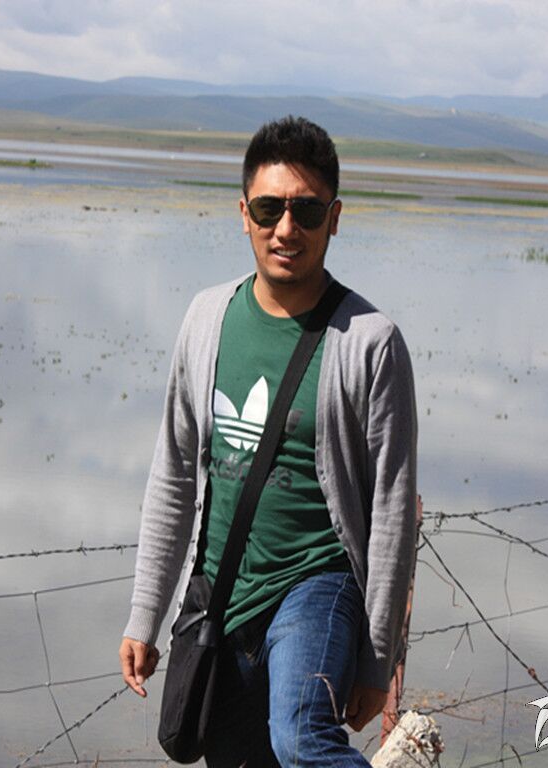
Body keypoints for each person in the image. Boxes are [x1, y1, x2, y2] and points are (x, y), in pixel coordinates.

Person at [119, 115, 418, 766]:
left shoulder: (370, 342)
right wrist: (146, 615)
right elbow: (173, 475)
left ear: (334, 219)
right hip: (221, 592)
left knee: (302, 739)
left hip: (318, 584)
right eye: (268, 209)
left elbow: (393, 513)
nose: (286, 229)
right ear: (243, 213)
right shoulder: (207, 318)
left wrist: (377, 659)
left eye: (306, 211)